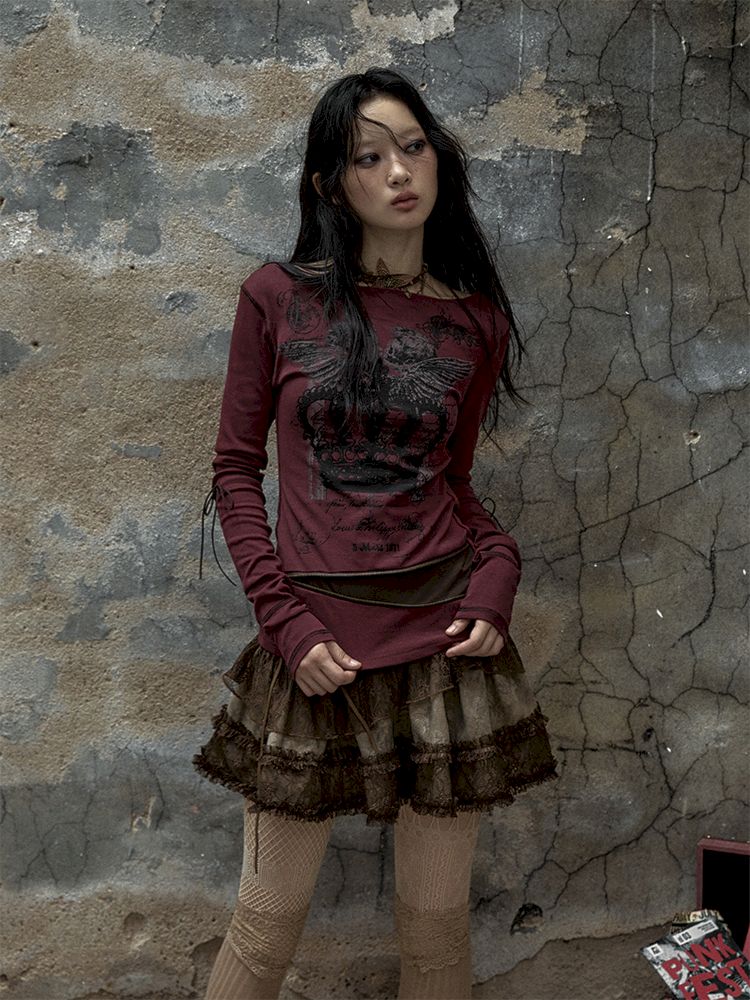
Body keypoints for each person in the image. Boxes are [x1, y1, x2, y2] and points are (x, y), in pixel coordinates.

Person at [193, 66, 557, 1000]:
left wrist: (498, 572)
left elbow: (455, 486)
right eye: (369, 157)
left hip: (446, 647)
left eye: (414, 147)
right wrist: (285, 622)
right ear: (330, 184)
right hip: (312, 647)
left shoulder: (476, 321)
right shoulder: (277, 297)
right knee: (265, 925)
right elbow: (235, 473)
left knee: (435, 932)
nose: (399, 171)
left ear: (439, 159)